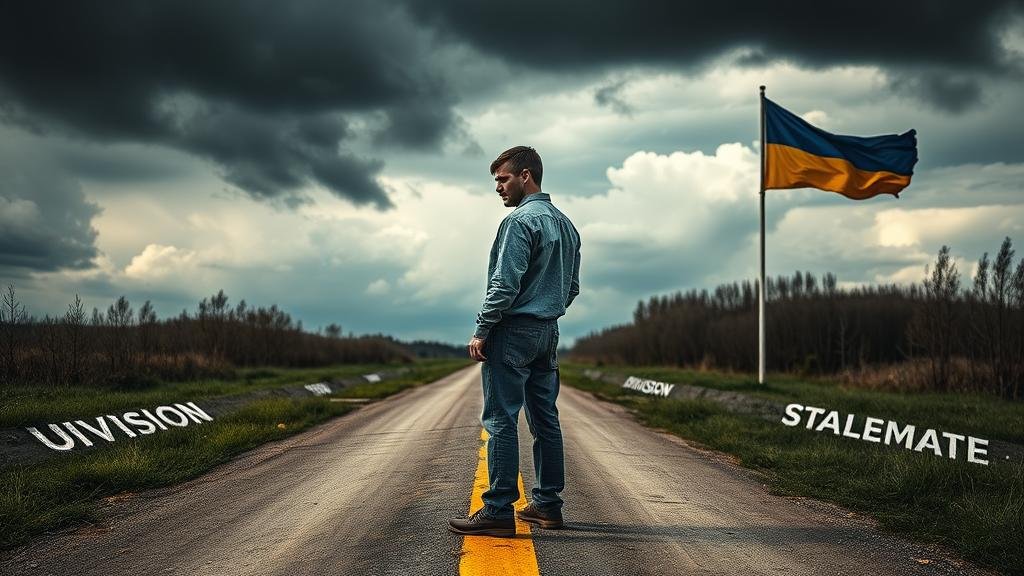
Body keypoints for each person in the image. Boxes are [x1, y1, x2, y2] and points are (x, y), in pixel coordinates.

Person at [448, 145, 581, 538]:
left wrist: (483, 328)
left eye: (503, 179)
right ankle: (547, 506)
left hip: (513, 331)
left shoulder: (520, 222)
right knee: (545, 420)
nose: (499, 188)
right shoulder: (567, 225)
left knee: (501, 419)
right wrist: (547, 309)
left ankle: (497, 510)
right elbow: (570, 287)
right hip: (547, 332)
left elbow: (504, 285)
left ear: (526, 176)